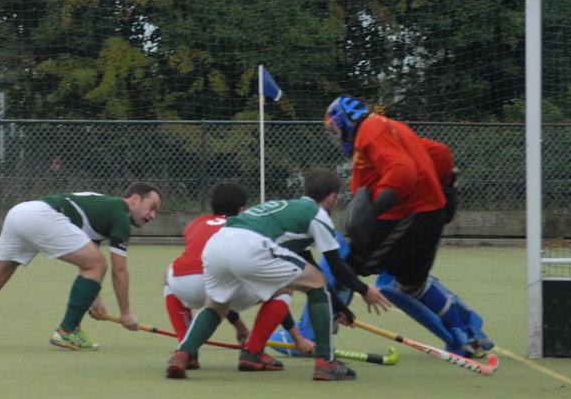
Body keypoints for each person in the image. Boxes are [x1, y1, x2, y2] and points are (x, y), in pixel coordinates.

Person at [165, 169, 390, 381]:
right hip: (250, 245)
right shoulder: (317, 215)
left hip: (217, 245)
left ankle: (183, 354)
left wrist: (340, 308)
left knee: (217, 306)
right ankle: (326, 363)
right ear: (332, 198)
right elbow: (335, 267)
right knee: (316, 283)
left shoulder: (285, 208)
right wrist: (364, 290)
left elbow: (309, 267)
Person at [324, 95, 492, 357]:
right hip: (428, 215)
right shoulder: (392, 126)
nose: (336, 137)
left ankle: (315, 336)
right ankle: (464, 336)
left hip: (407, 216)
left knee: (347, 265)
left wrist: (373, 212)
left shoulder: (369, 130)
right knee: (411, 282)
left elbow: (402, 173)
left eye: (335, 128)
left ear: (345, 120)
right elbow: (439, 153)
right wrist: (446, 190)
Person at [0, 183, 162, 350]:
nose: (151, 215)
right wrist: (126, 313)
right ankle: (67, 331)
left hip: (22, 214)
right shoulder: (119, 213)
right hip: (43, 217)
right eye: (151, 207)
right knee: (99, 264)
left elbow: (87, 260)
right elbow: (117, 269)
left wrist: (94, 300)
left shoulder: (104, 210)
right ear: (134, 199)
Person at [164, 181, 314, 371]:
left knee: (169, 276)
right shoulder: (244, 228)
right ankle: (253, 352)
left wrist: (240, 327)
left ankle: (185, 350)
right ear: (242, 210)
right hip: (219, 282)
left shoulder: (195, 224)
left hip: (184, 284)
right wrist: (298, 339)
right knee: (283, 288)